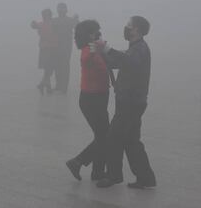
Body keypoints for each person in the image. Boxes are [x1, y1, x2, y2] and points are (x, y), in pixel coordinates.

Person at [95, 16, 156, 189]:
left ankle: (113, 176)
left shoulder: (140, 49)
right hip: (132, 101)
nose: (126, 28)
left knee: (113, 138)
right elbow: (118, 62)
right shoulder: (134, 48)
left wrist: (107, 48)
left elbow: (129, 63)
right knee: (132, 141)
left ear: (136, 29)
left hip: (131, 103)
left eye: (129, 25)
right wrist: (102, 51)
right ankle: (146, 178)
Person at [65, 20, 110, 181]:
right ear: (88, 35)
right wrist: (94, 47)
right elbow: (86, 59)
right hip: (91, 99)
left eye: (99, 30)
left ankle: (97, 171)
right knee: (105, 136)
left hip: (100, 97)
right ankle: (78, 162)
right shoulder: (87, 50)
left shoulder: (96, 49)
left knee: (102, 136)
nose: (98, 33)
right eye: (95, 31)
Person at [52, 3, 79, 93]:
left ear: (66, 10)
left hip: (66, 47)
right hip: (56, 47)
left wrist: (76, 20)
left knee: (64, 66)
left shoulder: (69, 20)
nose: (61, 10)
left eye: (62, 9)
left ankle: (64, 87)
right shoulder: (54, 20)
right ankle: (59, 85)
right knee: (57, 66)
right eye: (60, 9)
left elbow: (77, 26)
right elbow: (45, 26)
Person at [31, 8, 58, 95]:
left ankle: (43, 84)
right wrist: (33, 24)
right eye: (44, 15)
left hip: (53, 48)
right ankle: (47, 86)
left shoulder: (54, 23)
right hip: (45, 49)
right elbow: (34, 26)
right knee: (48, 68)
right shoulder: (41, 24)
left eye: (47, 14)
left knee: (49, 68)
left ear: (50, 15)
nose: (45, 16)